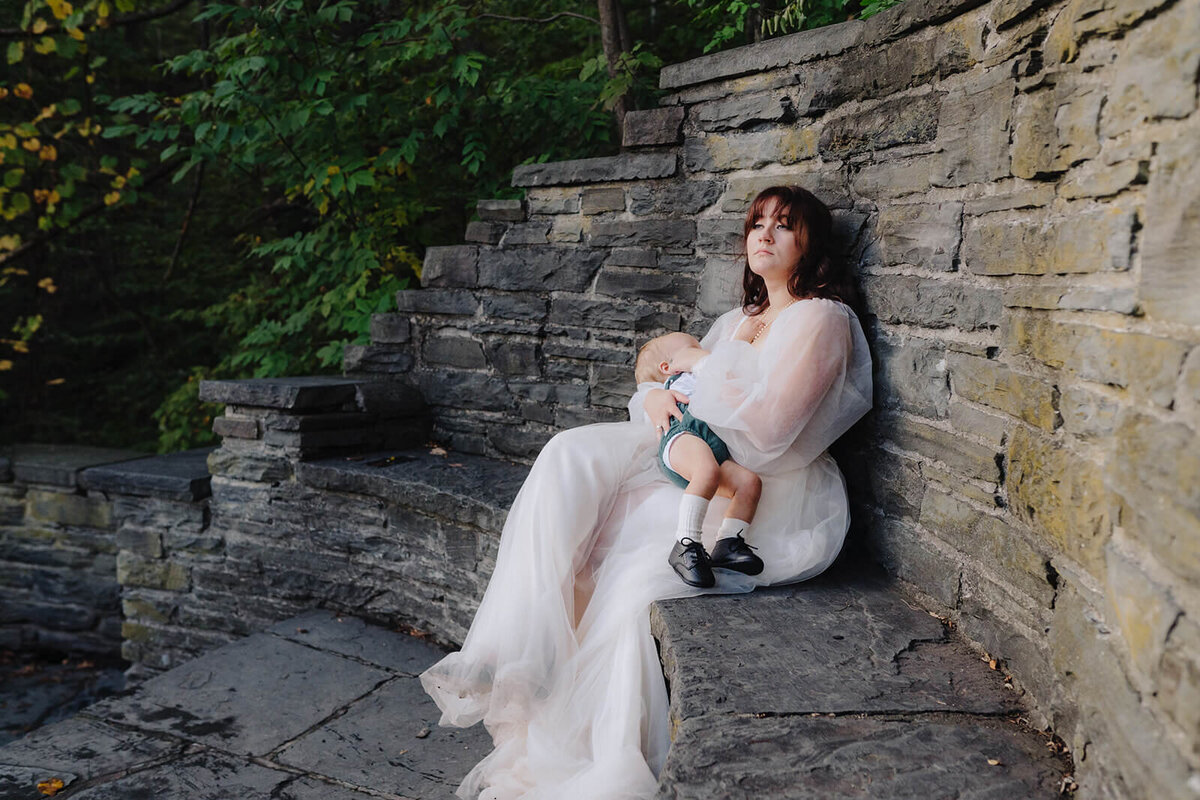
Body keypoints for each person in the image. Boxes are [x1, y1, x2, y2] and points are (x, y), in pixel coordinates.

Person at [420, 185, 873, 800]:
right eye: (757, 222)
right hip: (702, 461)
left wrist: (695, 374)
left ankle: (602, 751)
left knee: (629, 572)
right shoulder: (738, 321)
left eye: (785, 225)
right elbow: (670, 389)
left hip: (768, 492)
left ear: (810, 243)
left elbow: (771, 433)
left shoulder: (820, 318)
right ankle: (509, 664)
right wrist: (656, 393)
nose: (764, 233)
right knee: (567, 455)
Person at [634, 331, 764, 588]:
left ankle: (728, 543)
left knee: (749, 482)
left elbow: (727, 376)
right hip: (682, 436)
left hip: (712, 443)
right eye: (691, 347)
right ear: (667, 366)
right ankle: (685, 543)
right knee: (706, 470)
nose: (701, 348)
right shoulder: (680, 380)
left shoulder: (701, 371)